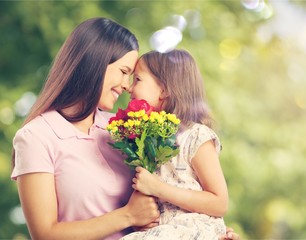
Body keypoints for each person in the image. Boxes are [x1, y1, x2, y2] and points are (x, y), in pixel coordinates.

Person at [11, 17, 240, 240]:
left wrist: (212, 233)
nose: (126, 86)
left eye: (133, 77)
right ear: (95, 63)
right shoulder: (36, 137)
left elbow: (177, 192)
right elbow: (45, 234)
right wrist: (127, 216)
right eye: (123, 72)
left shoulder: (124, 128)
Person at [121, 49, 229, 240]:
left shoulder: (196, 136)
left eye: (137, 79)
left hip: (191, 231)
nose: (129, 88)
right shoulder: (143, 139)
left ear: (164, 90)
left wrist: (158, 189)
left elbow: (220, 203)